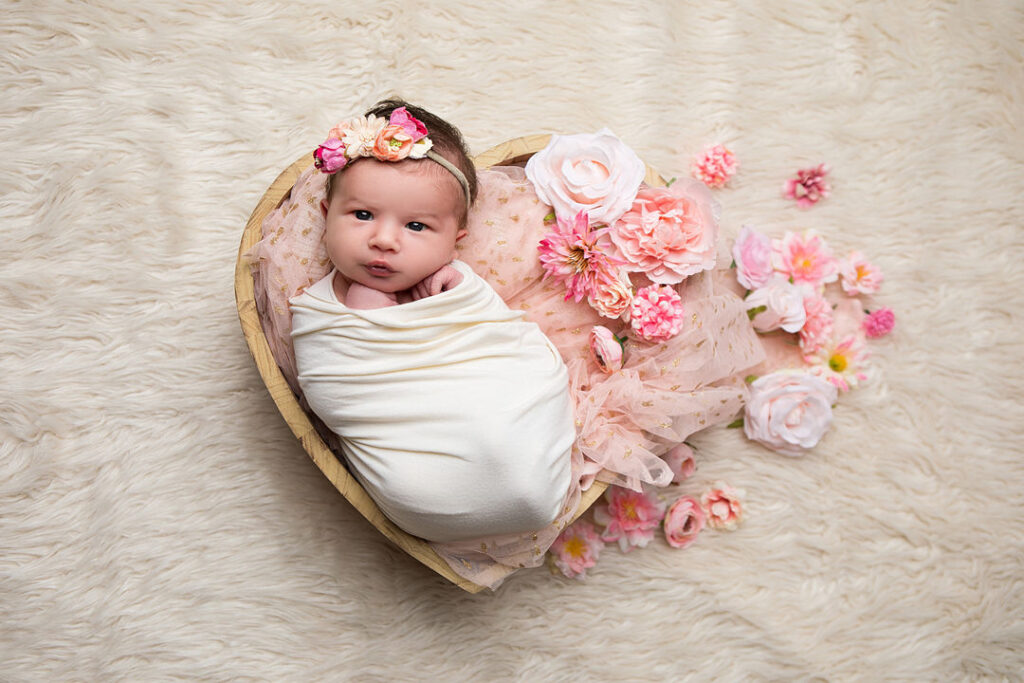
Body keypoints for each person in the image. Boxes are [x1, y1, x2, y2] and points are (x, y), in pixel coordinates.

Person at [288, 100, 575, 544]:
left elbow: (503, 344)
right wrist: (371, 309)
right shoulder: (319, 313)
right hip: (421, 496)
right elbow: (335, 389)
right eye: (362, 215)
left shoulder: (462, 291)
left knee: (503, 420)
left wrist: (460, 292)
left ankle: (520, 477)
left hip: (518, 445)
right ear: (326, 218)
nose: (383, 240)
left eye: (417, 226)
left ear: (454, 242)